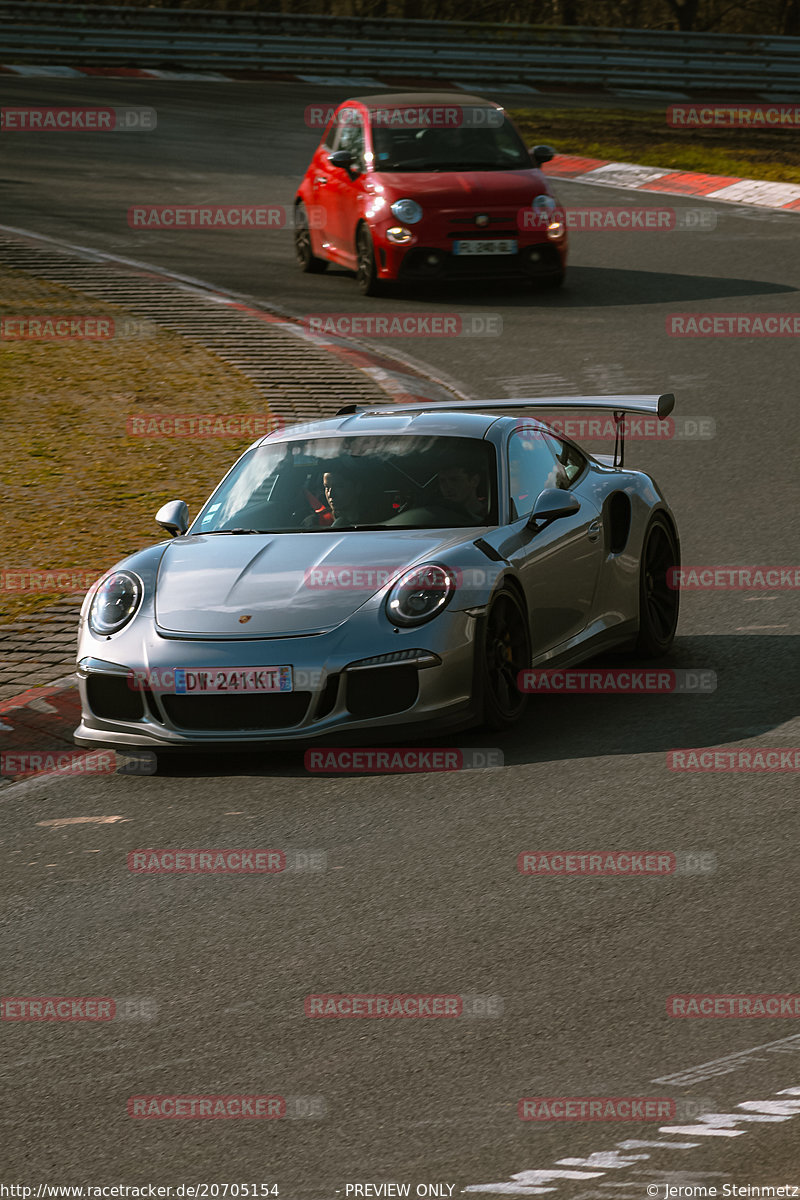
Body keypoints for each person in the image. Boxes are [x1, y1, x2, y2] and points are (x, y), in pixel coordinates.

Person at [437, 456, 487, 523]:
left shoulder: (492, 516)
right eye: (442, 481)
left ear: (474, 481)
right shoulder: (439, 517)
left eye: (455, 480)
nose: (447, 487)